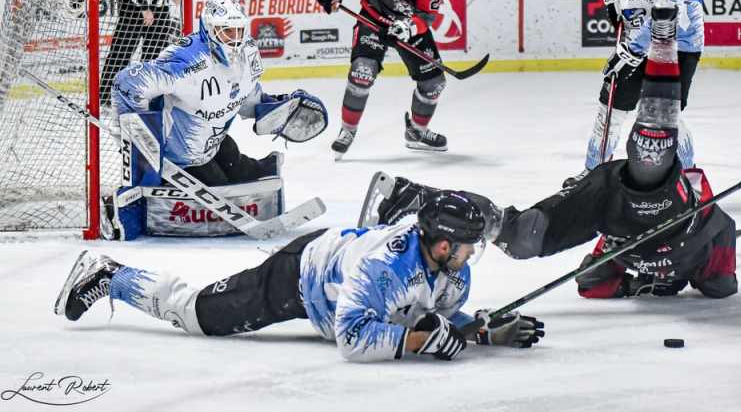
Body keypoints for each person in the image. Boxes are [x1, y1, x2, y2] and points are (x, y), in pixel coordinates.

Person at [363, 0, 737, 300]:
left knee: (521, 240)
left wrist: (640, 284)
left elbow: (591, 284)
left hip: (613, 211)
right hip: (616, 193)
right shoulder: (712, 227)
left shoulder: (638, 251)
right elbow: (722, 282)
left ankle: (416, 196)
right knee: (654, 149)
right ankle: (663, 37)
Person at [55, 192, 545, 362]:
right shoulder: (382, 265)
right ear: (442, 244)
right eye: (465, 247)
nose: (470, 255)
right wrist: (417, 343)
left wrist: (481, 330)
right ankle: (110, 273)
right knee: (197, 314)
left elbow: (435, 315)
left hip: (343, 289)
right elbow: (351, 339)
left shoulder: (450, 272)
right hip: (300, 276)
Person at [105, 0, 327, 239]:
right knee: (220, 182)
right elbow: (128, 82)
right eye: (226, 31)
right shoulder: (190, 62)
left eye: (239, 30)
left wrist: (273, 109)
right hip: (178, 158)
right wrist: (136, 140)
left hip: (214, 141)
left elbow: (244, 96)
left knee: (243, 167)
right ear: (209, 31)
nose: (234, 38)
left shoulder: (248, 52)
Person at [563, 0, 704, 187]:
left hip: (678, 42)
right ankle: (592, 176)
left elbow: (666, 18)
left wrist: (630, 51)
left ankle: (689, 179)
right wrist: (620, 1)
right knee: (610, 108)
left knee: (664, 115)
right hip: (640, 37)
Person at [315, 0, 450, 160]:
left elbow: (425, 17)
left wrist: (406, 28)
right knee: (362, 72)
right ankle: (347, 131)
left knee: (434, 85)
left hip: (408, 26)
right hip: (374, 19)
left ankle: (417, 133)